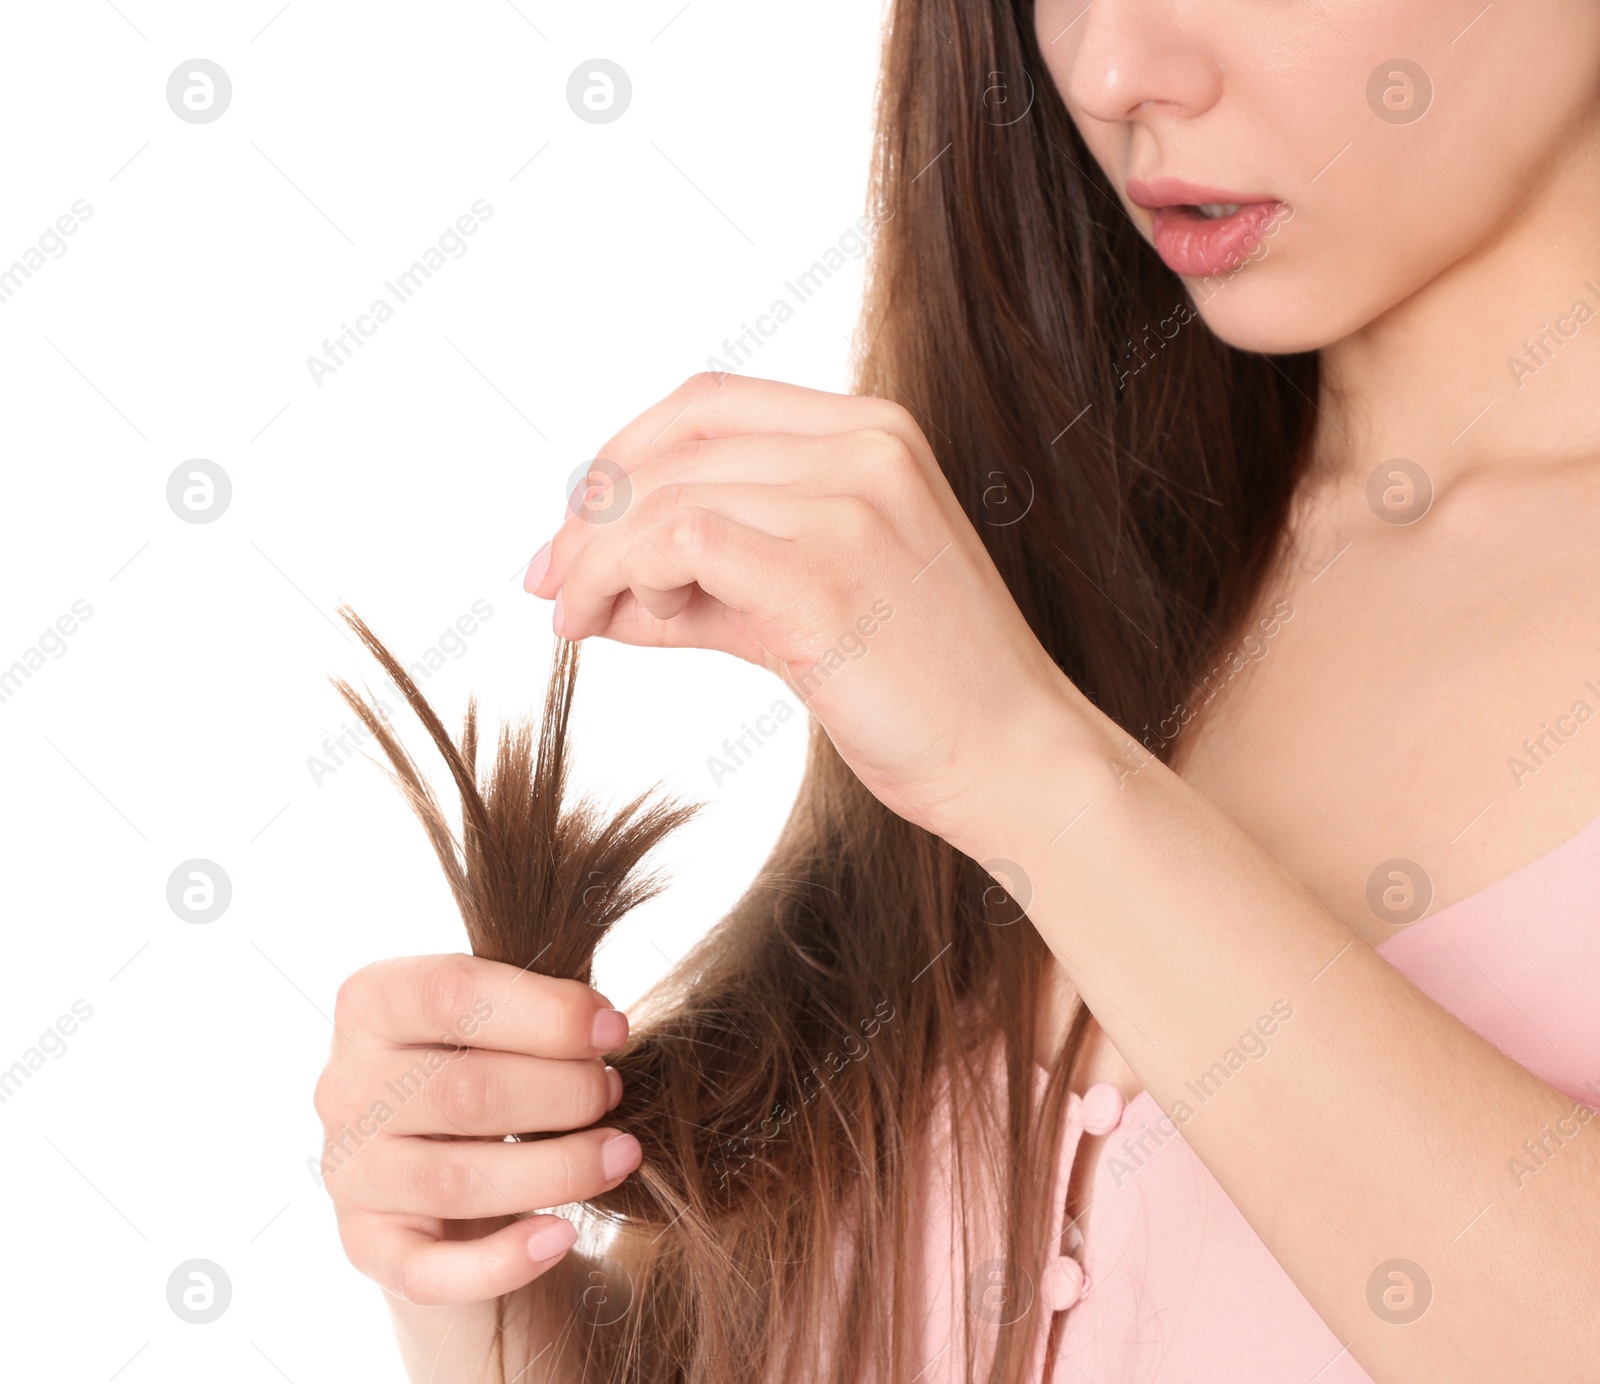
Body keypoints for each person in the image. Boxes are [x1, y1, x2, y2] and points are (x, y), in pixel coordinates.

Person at [314, 2, 1600, 1379]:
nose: (1113, 72)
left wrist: (1038, 783)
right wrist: (493, 1300)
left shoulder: (1003, 707)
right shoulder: (1062, 573)